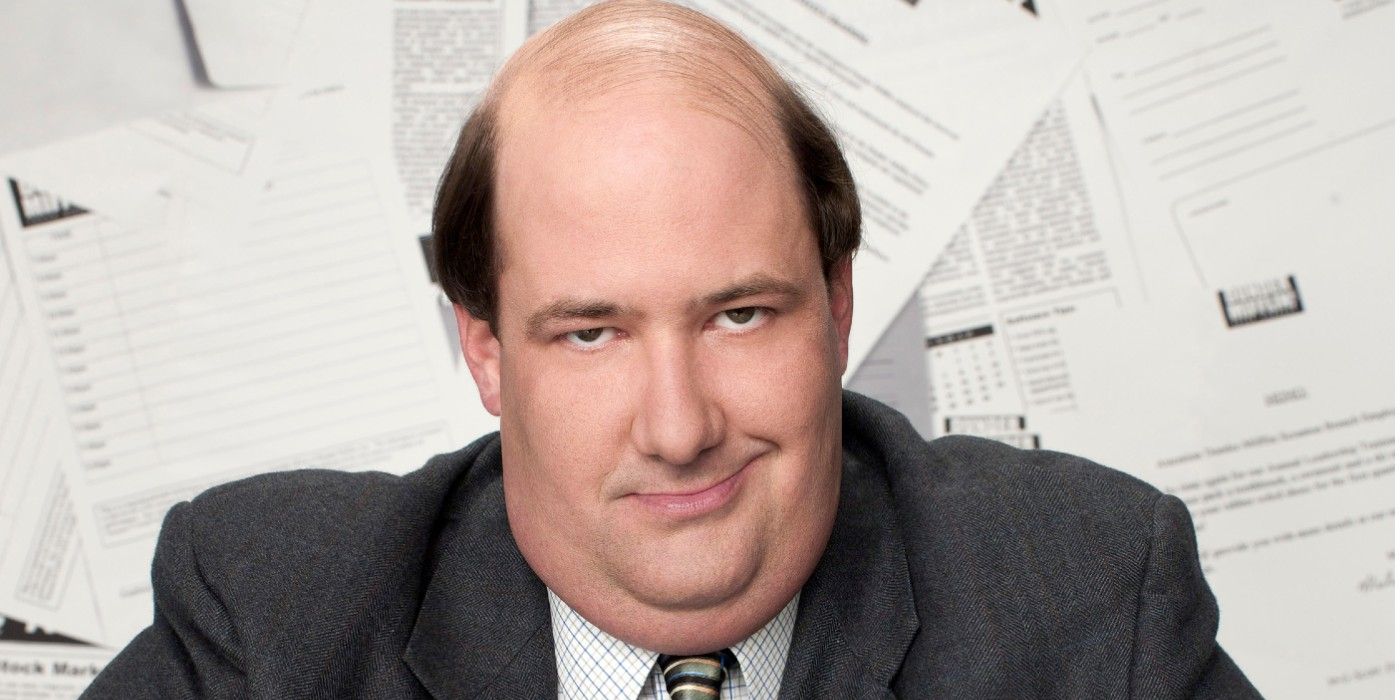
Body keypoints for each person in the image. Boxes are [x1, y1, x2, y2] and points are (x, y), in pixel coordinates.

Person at [83, 1, 1261, 697]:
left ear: (836, 305)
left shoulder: (1091, 598)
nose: (679, 425)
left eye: (739, 314)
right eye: (590, 332)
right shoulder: (272, 625)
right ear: (485, 350)